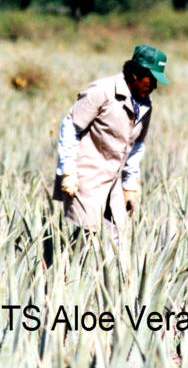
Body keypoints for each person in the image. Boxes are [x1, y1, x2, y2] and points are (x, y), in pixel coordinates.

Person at [53, 44, 168, 242]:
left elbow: (136, 147)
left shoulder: (145, 104)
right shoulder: (102, 92)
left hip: (112, 179)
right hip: (86, 176)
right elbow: (71, 127)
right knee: (89, 239)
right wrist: (68, 170)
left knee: (119, 236)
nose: (154, 87)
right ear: (135, 75)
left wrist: (129, 186)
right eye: (151, 79)